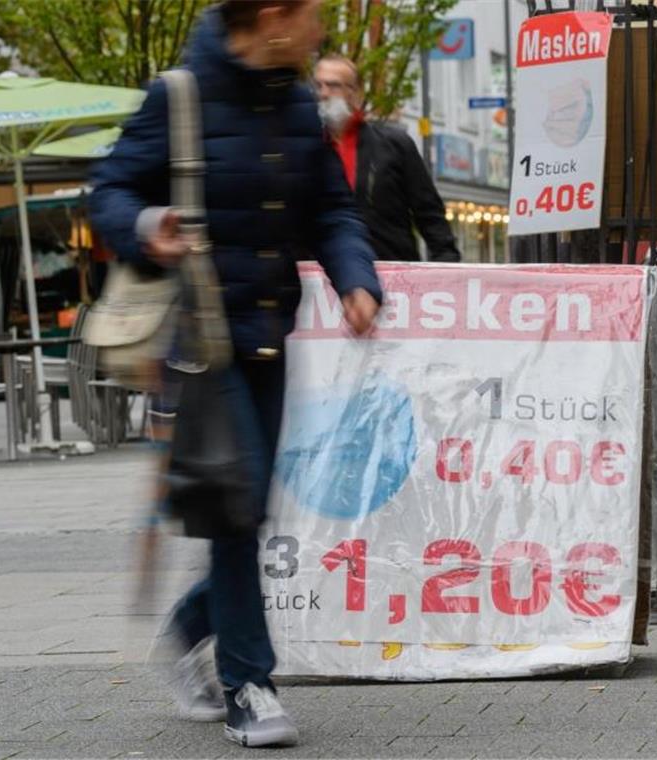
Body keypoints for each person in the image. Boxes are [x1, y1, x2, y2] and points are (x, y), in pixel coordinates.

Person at [88, 0, 381, 748]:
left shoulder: (293, 103)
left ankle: (189, 628)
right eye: (313, 14)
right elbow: (110, 192)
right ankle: (249, 683)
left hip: (268, 343)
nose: (321, 31)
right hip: (195, 344)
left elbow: (333, 213)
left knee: (244, 511)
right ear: (274, 17)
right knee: (237, 511)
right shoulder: (178, 94)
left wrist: (357, 280)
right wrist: (147, 225)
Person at [313, 54, 461, 262]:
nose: (323, 93)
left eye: (333, 85)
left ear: (355, 93)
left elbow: (430, 216)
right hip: (322, 280)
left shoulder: (394, 145)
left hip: (390, 278)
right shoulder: (304, 148)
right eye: (318, 86)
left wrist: (446, 270)